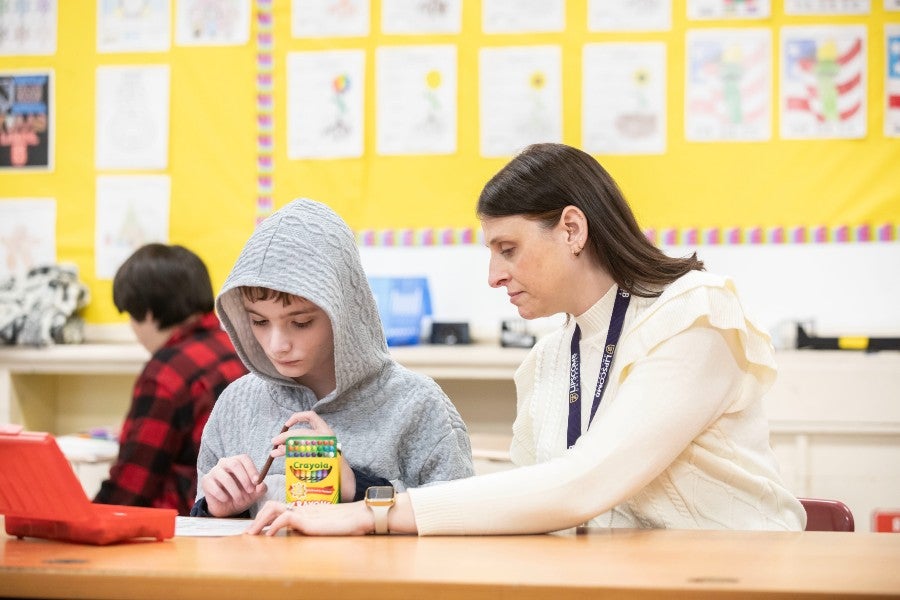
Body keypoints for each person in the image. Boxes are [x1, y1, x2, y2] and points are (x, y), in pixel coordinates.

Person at [246, 142, 808, 536]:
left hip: (736, 579)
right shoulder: (547, 359)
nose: (493, 276)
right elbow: (534, 494)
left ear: (572, 229)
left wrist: (374, 512)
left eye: (507, 249)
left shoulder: (694, 315)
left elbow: (580, 485)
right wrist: (360, 495)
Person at [192, 199, 474, 518]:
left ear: (344, 311)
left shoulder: (417, 404)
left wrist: (354, 485)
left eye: (300, 322)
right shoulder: (236, 405)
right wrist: (216, 510)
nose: (277, 345)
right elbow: (211, 548)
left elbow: (459, 520)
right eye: (259, 322)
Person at [94, 243, 247, 515]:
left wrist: (84, 517)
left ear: (148, 312)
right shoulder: (237, 347)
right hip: (242, 514)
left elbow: (131, 486)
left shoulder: (166, 373)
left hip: (184, 523)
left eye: (131, 315)